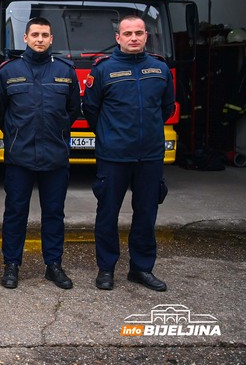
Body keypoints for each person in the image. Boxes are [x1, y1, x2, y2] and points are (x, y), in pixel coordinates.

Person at [82, 15, 175, 292]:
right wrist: (111, 136)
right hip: (114, 156)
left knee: (146, 214)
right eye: (128, 33)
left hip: (149, 156)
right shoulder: (103, 70)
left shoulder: (160, 70)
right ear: (118, 38)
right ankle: (106, 269)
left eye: (139, 33)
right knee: (107, 214)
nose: (133, 38)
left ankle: (141, 269)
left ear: (146, 36)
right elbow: (91, 110)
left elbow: (166, 108)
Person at [0, 17, 81, 290]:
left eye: (45, 34)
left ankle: (53, 265)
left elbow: (73, 111)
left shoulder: (66, 71)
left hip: (55, 156)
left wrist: (56, 133)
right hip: (19, 157)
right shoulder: (9, 71)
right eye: (35, 34)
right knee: (15, 213)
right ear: (25, 38)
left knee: (54, 213)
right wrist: (16, 135)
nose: (40, 39)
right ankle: (11, 265)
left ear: (52, 38)